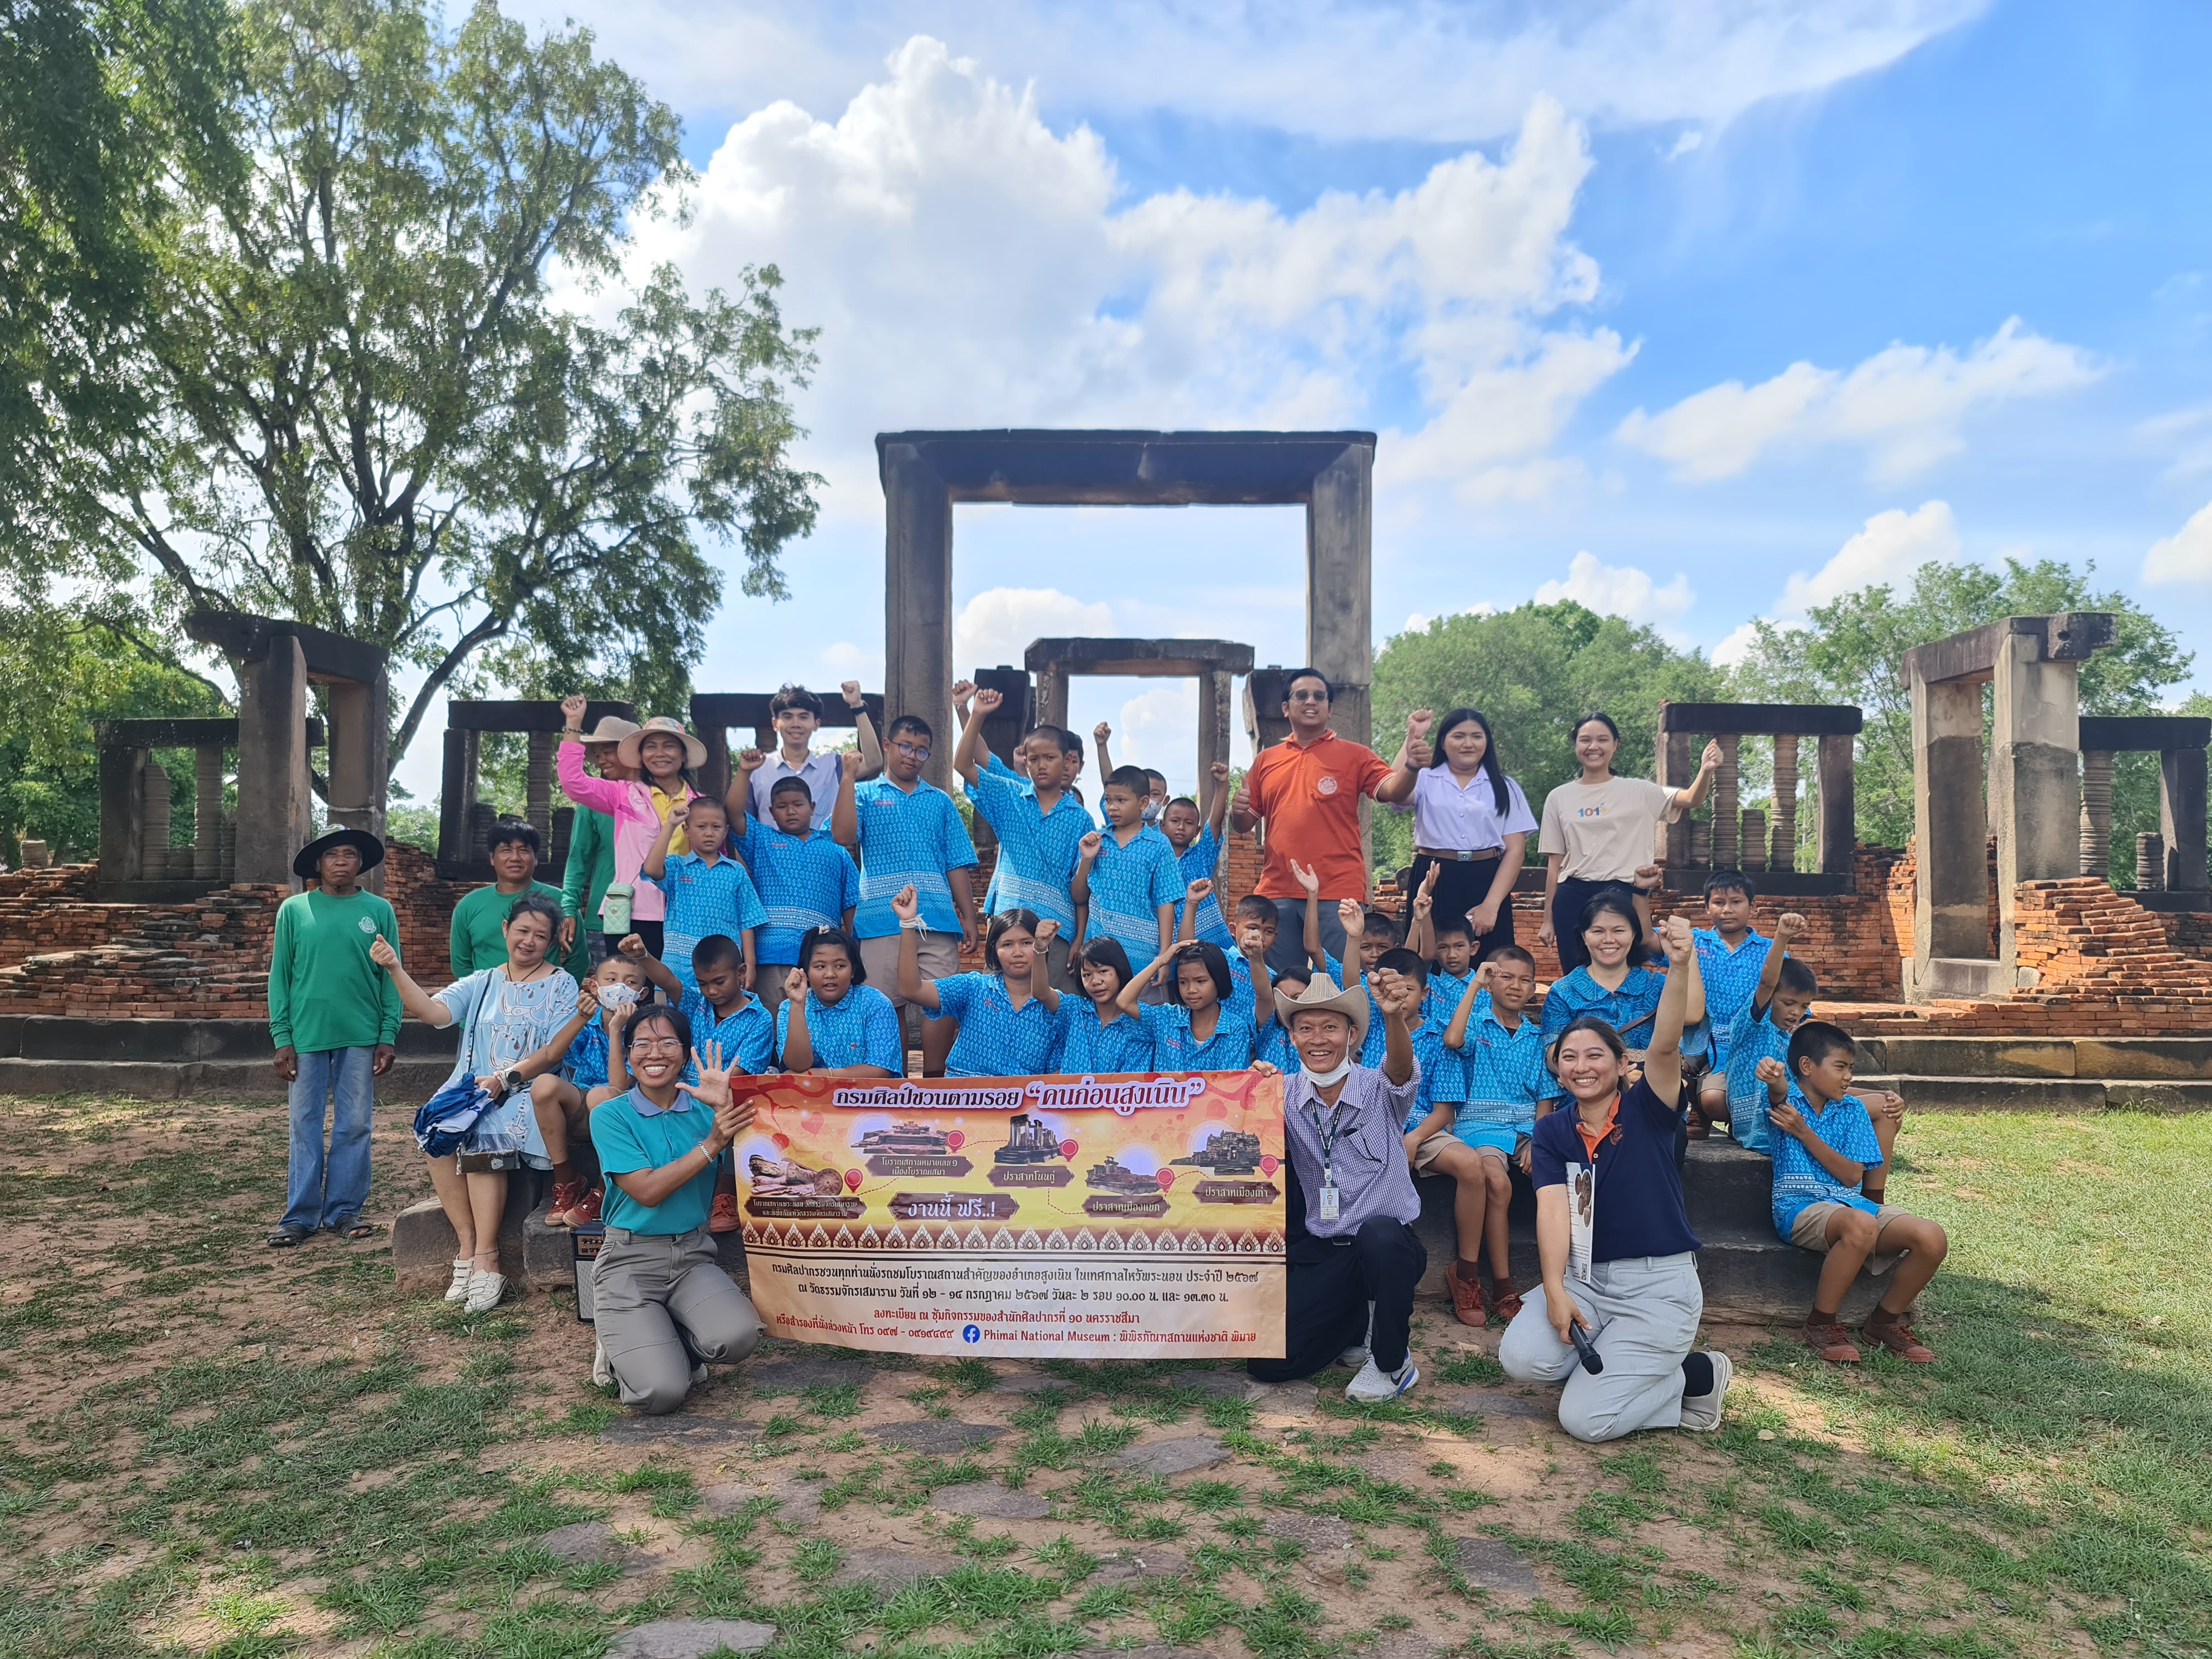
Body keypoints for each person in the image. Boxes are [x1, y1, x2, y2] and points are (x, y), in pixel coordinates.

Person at [1499, 915, 1734, 1441]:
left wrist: (1679, 965)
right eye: (1569, 1058)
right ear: (1558, 1070)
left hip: (1656, 1288)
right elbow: (1553, 1212)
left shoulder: (1649, 1108)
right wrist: (1555, 1289)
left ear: (1623, 1062)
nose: (1581, 1066)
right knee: (1523, 1358)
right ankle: (1621, 1370)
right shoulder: (1553, 1130)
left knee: (1585, 1421)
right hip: (1586, 1279)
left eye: (1595, 1055)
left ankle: (1694, 1376)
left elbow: (1667, 1045)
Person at [371, 892, 585, 1313]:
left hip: (524, 1090)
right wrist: (395, 968)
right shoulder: (483, 981)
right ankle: (467, 1246)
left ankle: (489, 1258)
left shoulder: (561, 983)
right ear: (506, 930)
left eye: (541, 936)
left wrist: (504, 1080)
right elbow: (433, 1014)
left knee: (484, 1132)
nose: (529, 941)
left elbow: (553, 1053)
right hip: (474, 1088)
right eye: (522, 930)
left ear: (552, 942)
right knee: (437, 1128)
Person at [1246, 970, 1428, 1402]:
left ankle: (1392, 1362)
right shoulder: (1283, 1094)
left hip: (1388, 1248)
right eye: (1306, 1029)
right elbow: (1241, 1132)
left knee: (1380, 1235)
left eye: (1330, 1027)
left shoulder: (1379, 1087)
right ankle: (1355, 1324)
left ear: (1352, 1035)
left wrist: (1393, 1017)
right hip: (1325, 1248)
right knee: (1268, 1365)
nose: (1318, 1039)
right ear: (1292, 1038)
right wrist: (1250, 1089)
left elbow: (1401, 1068)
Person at [588, 1010, 765, 1414]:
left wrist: (726, 1108)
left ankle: (664, 1341)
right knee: (661, 1393)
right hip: (629, 1261)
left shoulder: (708, 1113)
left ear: (685, 1054)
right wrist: (712, 1143)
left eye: (668, 1043)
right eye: (642, 1044)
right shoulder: (610, 1115)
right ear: (629, 1054)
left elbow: (755, 1167)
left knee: (738, 1338)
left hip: (691, 1255)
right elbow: (647, 1191)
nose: (655, 1053)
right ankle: (619, 1351)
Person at [1763, 1022, 1943, 1364]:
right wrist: (1773, 1078)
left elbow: (1850, 1176)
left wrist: (1804, 1133)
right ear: (1807, 1066)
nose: (1848, 1077)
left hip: (1851, 1203)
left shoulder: (1853, 1110)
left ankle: (1884, 1322)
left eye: (1851, 1068)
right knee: (1861, 1225)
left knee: (1931, 1237)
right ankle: (1821, 1323)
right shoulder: (1787, 1103)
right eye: (1840, 1067)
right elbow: (1777, 1090)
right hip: (1800, 1206)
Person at [266, 827, 401, 1248]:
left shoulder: (378, 910)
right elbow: (280, 977)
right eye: (332, 855)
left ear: (361, 863)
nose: (341, 861)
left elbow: (392, 977)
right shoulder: (295, 910)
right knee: (304, 1125)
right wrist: (282, 1036)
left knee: (355, 1125)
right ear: (318, 864)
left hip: (361, 1034)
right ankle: (300, 1216)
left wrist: (388, 1034)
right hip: (306, 1035)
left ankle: (343, 1210)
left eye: (350, 854)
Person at [832, 714, 980, 1077]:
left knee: (942, 1001)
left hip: (937, 918)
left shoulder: (941, 801)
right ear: (887, 746)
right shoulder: (865, 794)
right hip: (880, 919)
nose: (912, 756)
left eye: (921, 750)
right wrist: (848, 778)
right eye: (905, 747)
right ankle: (894, 1084)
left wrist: (969, 916)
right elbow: (843, 836)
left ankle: (934, 1084)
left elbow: (956, 863)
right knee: (885, 1006)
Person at [1230, 670, 1395, 977]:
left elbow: (1392, 791)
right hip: (1278, 889)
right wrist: (1237, 810)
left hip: (1338, 890)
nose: (1311, 701)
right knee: (1282, 984)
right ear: (1286, 708)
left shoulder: (1355, 755)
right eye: (1302, 695)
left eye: (1319, 697)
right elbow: (1242, 824)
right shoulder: (1267, 760)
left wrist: (1411, 764)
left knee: (1342, 983)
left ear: (1329, 709)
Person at [1420, 949, 1548, 1326]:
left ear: (1533, 989)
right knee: (1498, 1182)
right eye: (1506, 977)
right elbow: (1452, 1039)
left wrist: (1539, 1140)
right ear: (1491, 981)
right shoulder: (1477, 1023)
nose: (1516, 986)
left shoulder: (1537, 1036)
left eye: (1525, 980)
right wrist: (1475, 984)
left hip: (1525, 1128)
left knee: (1558, 1178)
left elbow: (1545, 1097)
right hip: (1480, 1124)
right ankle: (1491, 1282)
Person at [1537, 714, 1721, 973]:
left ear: (1615, 744)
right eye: (1585, 740)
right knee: (1576, 976)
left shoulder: (1639, 791)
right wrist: (1548, 919)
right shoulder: (1559, 797)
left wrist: (1706, 769)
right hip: (1573, 897)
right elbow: (1555, 863)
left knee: (1626, 973)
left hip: (1625, 895)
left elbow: (1692, 799)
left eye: (1602, 740)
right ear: (1576, 745)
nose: (1593, 747)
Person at [622, 931, 778, 1234]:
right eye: (703, 983)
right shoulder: (695, 1001)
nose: (712, 991)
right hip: (680, 1090)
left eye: (719, 981)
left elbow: (740, 1075)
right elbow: (668, 980)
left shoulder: (759, 1018)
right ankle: (616, 1185)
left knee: (734, 1110)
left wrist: (711, 1094)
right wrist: (642, 956)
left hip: (727, 1093)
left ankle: (725, 1193)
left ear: (741, 972)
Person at [1377, 708, 1536, 972]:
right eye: (1459, 736)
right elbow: (1392, 791)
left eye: (1477, 736)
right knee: (1428, 960)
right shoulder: (1424, 777)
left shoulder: (1505, 786)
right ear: (1443, 742)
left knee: (1491, 963)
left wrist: (1491, 905)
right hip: (1434, 877)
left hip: (1486, 879)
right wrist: (1413, 738)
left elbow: (1515, 850)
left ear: (1487, 741)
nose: (1468, 743)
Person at [954, 686, 1089, 993]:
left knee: (1051, 1005)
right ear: (1026, 761)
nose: (1041, 765)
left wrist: (1080, 938)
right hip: (1008, 919)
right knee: (999, 1000)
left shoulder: (1080, 818)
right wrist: (975, 714)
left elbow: (1082, 889)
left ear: (1067, 761)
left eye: (1050, 758)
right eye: (1034, 758)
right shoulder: (1009, 795)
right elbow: (964, 764)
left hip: (1057, 929)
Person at [557, 695, 706, 960]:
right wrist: (574, 723)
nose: (659, 753)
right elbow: (573, 783)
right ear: (641, 756)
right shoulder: (623, 795)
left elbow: (715, 860)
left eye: (669, 746)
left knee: (680, 986)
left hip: (686, 913)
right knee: (625, 985)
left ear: (684, 755)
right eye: (651, 747)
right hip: (629, 912)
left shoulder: (701, 805)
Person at [535, 948, 653, 1229]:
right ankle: (566, 1180)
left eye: (630, 982)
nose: (620, 987)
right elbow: (554, 1054)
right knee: (543, 1086)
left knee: (602, 1095)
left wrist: (617, 1031)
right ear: (594, 987)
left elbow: (618, 1085)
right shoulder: (587, 1021)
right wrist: (579, 1017)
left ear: (642, 994)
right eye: (611, 980)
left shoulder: (645, 1027)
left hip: (625, 1112)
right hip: (583, 1106)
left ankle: (605, 1187)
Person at [893, 888, 1063, 1078]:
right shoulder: (974, 987)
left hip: (1023, 1095)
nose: (1017, 953)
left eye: (1026, 943)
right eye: (1007, 945)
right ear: (994, 951)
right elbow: (911, 990)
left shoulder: (1056, 1005)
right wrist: (908, 923)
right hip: (964, 1091)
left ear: (1042, 945)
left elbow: (1056, 1075)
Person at [731, 771, 859, 1024]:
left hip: (822, 960)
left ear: (812, 807)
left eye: (798, 804)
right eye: (782, 806)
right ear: (771, 811)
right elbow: (733, 814)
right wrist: (744, 771)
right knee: (772, 1024)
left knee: (817, 1026)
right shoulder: (762, 841)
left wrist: (853, 954)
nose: (791, 811)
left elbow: (852, 906)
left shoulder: (836, 850)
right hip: (771, 957)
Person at [1540, 891, 1705, 1062]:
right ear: (1584, 936)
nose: (1608, 940)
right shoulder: (1563, 992)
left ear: (1633, 935)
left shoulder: (1655, 985)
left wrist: (1686, 953)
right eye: (1598, 931)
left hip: (1651, 1077)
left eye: (1618, 931)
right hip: (1585, 1076)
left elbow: (1691, 1015)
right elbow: (1553, 1054)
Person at [1706, 914, 1813, 1151]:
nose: (1796, 1012)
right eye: (1789, 1003)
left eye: (1804, 1006)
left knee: (1883, 1105)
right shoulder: (1750, 1026)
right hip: (1761, 1131)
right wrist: (1782, 937)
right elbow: (1767, 983)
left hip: (1790, 1123)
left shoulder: (1786, 1039)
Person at [643, 795, 766, 997]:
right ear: (687, 831)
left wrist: (750, 965)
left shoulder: (736, 872)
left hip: (722, 973)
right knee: (670, 1017)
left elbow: (747, 920)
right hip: (677, 970)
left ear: (726, 831)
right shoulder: (677, 867)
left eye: (716, 827)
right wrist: (670, 825)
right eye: (701, 827)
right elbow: (651, 869)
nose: (709, 833)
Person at [1072, 767, 1180, 994]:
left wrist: (1164, 957)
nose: (1112, 807)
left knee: (1139, 1013)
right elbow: (1079, 896)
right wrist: (1086, 859)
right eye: (1108, 800)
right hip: (1098, 958)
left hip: (1142, 959)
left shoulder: (1158, 845)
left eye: (1121, 800)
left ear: (1143, 803)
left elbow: (1165, 902)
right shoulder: (1098, 841)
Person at [733, 681, 882, 830]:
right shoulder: (757, 769)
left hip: (823, 846)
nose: (796, 724)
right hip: (771, 846)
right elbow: (743, 823)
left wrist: (857, 706)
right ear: (775, 724)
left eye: (803, 717)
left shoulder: (832, 765)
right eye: (788, 717)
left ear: (816, 724)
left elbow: (873, 762)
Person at [452, 818, 587, 980]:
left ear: (536, 858)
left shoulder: (562, 902)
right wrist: (481, 992)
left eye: (524, 850)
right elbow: (461, 964)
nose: (515, 858)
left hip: (544, 993)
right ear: (492, 858)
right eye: (506, 850)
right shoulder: (469, 905)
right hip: (486, 993)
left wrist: (560, 990)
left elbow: (578, 958)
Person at [559, 714, 639, 967]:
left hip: (657, 915)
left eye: (607, 752)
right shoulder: (592, 803)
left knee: (655, 990)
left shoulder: (661, 798)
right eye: (597, 754)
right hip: (605, 916)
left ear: (630, 752)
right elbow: (578, 859)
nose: (601, 760)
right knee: (613, 987)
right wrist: (569, 907)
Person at [776, 926, 903, 1077]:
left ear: (853, 971)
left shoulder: (875, 1003)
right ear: (806, 973)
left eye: (840, 966)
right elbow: (798, 1066)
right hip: (812, 1091)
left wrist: (822, 1076)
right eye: (820, 967)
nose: (830, 974)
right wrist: (798, 1005)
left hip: (868, 1091)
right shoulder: (789, 1007)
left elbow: (879, 1070)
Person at [1117, 939, 1258, 1070]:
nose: (1191, 990)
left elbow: (1231, 1082)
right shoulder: (1166, 1018)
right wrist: (1161, 961)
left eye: (1200, 981)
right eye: (1183, 982)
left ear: (1219, 980)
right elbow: (1124, 1002)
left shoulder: (1235, 1028)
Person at [1052, 937, 1155, 1073]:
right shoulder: (1075, 1009)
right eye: (1087, 975)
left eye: (1103, 971)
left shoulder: (1141, 1024)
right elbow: (1041, 994)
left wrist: (1159, 962)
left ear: (1120, 969)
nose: (1095, 981)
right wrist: (1040, 950)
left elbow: (1132, 1081)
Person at [1160, 764, 1235, 951]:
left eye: (1189, 823)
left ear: (1197, 831)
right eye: (1175, 821)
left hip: (1211, 944)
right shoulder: (1155, 862)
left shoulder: (1202, 856)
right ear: (1162, 826)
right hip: (1171, 945)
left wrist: (1221, 785)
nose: (1181, 827)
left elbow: (1216, 821)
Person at [1405, 867, 1479, 1025]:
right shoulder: (1429, 985)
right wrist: (1420, 914)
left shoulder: (1486, 987)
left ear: (1473, 948)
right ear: (1435, 951)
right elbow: (1407, 964)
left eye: (1459, 946)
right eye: (1443, 948)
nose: (1452, 955)